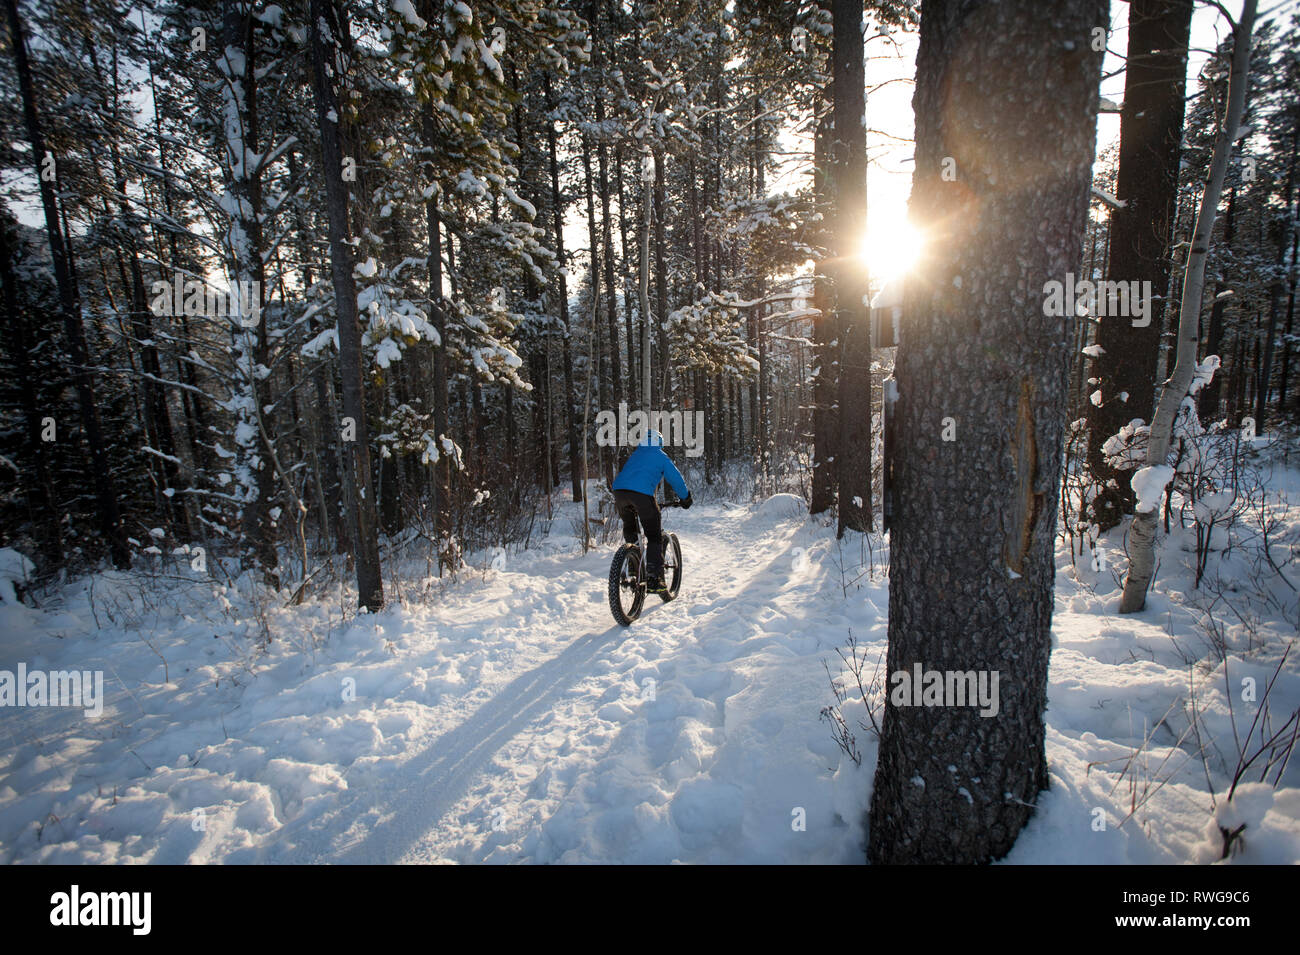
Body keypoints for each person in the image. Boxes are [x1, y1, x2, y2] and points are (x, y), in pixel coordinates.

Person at [611, 428, 692, 592]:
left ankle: (634, 564)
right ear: (659, 443)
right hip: (642, 495)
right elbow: (675, 478)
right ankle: (654, 578)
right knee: (654, 536)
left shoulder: (636, 455)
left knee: (631, 529)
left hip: (620, 493)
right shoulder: (660, 456)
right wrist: (685, 498)